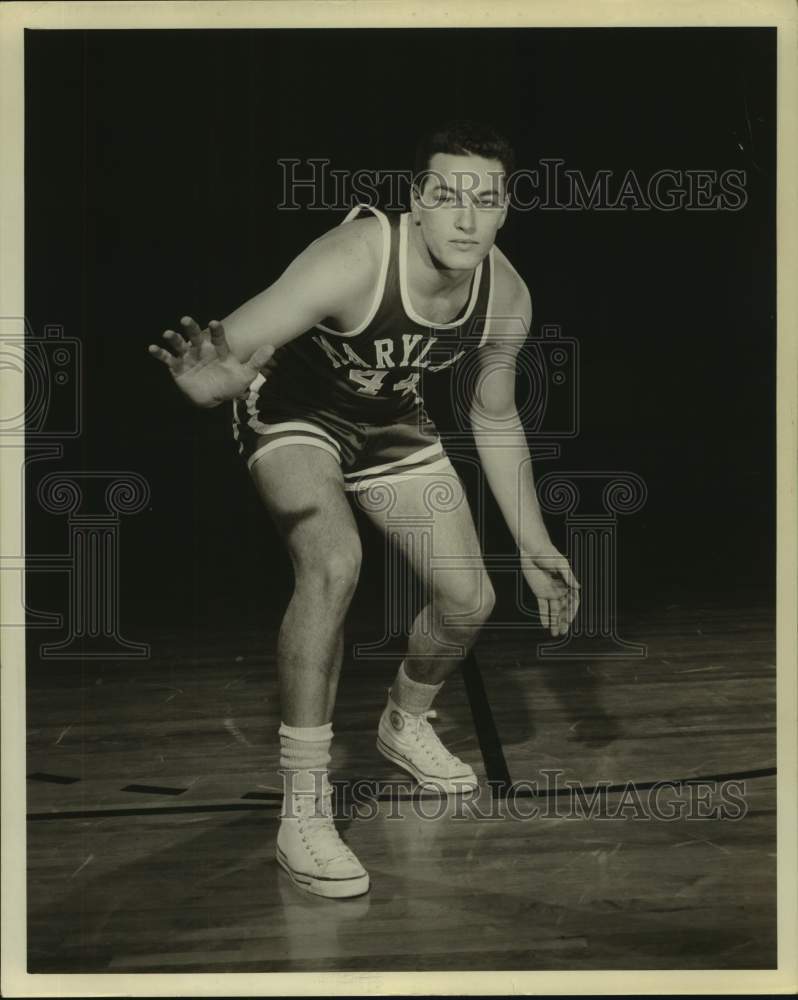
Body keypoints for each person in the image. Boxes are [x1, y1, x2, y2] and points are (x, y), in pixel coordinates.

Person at [148, 120, 580, 899]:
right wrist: (211, 381)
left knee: (468, 600)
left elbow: (493, 415)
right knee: (334, 562)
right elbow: (236, 348)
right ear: (417, 201)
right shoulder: (354, 259)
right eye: (447, 195)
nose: (466, 217)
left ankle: (404, 721)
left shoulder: (506, 294)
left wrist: (535, 543)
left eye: (486, 200)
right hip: (293, 414)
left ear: (508, 208)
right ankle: (304, 807)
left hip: (389, 423)